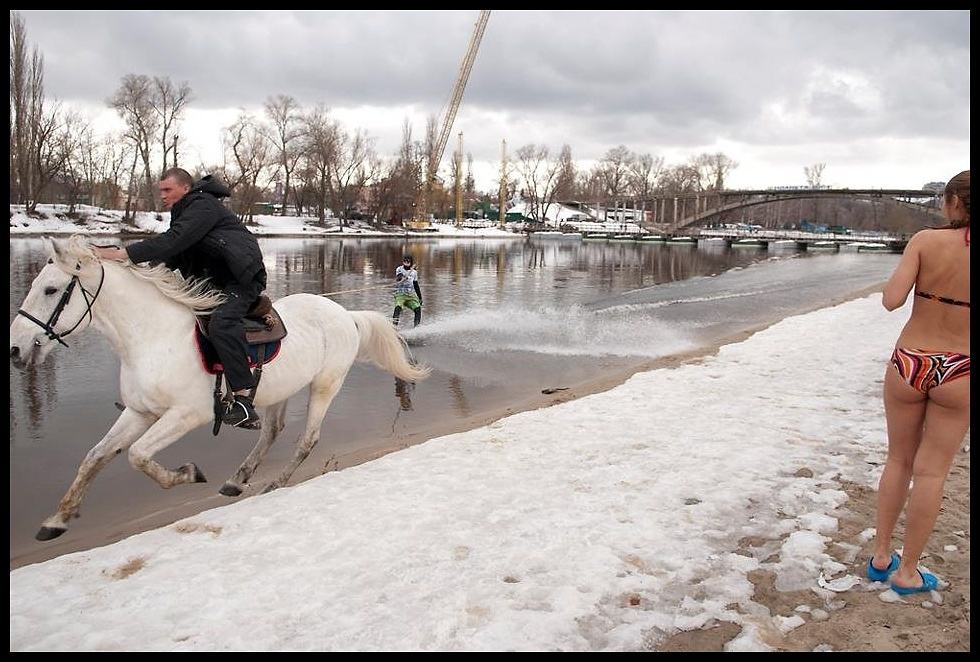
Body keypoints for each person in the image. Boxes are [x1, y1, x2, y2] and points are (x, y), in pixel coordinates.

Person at [93, 168, 267, 428]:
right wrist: (138, 272)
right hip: (214, 280)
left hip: (239, 278)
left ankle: (243, 401)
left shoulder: (202, 205)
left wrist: (123, 254)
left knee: (222, 322)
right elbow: (174, 253)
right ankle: (166, 394)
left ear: (185, 188)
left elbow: (173, 242)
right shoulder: (184, 212)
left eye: (167, 190)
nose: (162, 195)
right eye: (160, 190)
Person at [868, 170, 970, 595]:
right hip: (961, 369)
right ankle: (907, 572)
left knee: (898, 460)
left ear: (951, 203)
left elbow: (892, 300)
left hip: (910, 361)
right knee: (931, 474)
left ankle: (880, 556)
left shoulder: (925, 240)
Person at [392, 254, 422, 328]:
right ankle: (394, 328)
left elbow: (416, 285)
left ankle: (416, 328)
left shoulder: (414, 273)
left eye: (408, 261)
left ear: (411, 262)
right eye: (404, 260)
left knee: (418, 309)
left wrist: (420, 297)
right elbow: (399, 277)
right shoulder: (399, 269)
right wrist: (402, 277)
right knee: (398, 308)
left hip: (410, 295)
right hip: (400, 295)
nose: (406, 262)